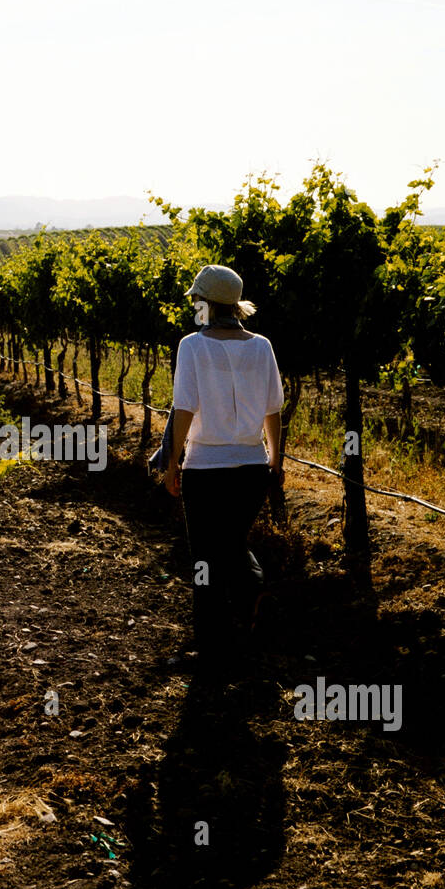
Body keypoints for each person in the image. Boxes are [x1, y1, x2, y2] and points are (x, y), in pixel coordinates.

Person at [162, 264, 284, 676]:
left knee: (206, 559)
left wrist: (172, 462)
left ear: (206, 305)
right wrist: (275, 462)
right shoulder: (262, 346)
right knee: (233, 542)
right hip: (251, 467)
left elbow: (184, 409)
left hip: (206, 468)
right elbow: (274, 411)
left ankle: (213, 645)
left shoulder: (193, 346)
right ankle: (249, 605)